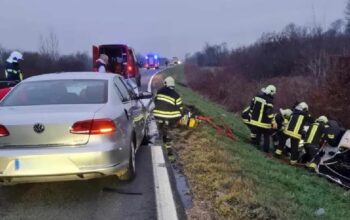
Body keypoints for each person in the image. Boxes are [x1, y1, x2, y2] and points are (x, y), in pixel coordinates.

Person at [153, 76, 183, 154]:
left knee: (161, 126)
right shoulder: (176, 95)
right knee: (177, 114)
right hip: (171, 118)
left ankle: (161, 129)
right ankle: (168, 141)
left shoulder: (159, 91)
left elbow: (155, 101)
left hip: (158, 115)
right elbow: (181, 107)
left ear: (165, 83)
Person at [248, 85, 276, 153]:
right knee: (266, 134)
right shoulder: (269, 101)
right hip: (263, 123)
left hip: (254, 121)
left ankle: (256, 144)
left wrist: (251, 114)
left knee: (258, 132)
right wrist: (273, 122)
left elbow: (251, 106)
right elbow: (269, 114)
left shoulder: (257, 96)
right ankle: (266, 150)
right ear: (271, 92)